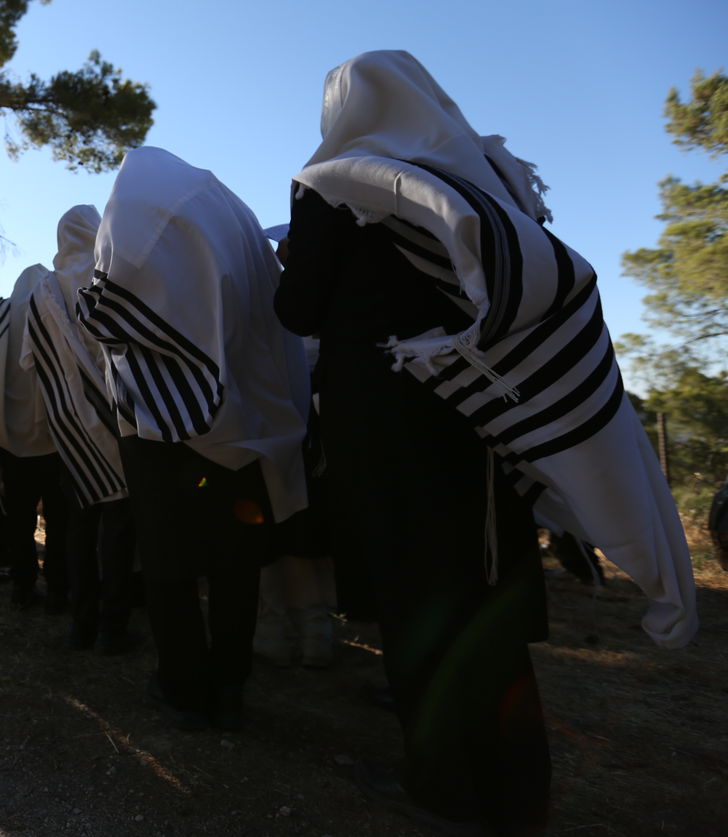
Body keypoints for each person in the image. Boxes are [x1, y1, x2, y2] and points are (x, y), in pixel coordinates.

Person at [277, 50, 698, 835]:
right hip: (485, 417)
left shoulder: (334, 184)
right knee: (484, 587)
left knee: (416, 593)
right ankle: (515, 783)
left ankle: (442, 784)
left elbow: (297, 309)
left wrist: (296, 265)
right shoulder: (485, 182)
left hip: (388, 425)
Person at [78, 147, 311, 729]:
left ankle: (182, 686)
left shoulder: (138, 213)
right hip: (245, 424)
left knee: (168, 562)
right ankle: (230, 684)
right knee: (236, 561)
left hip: (160, 427)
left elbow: (109, 311)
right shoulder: (230, 217)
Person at [23, 204, 136, 650]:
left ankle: (81, 621)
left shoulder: (41, 292)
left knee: (76, 524)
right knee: (119, 527)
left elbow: (29, 360)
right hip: (117, 418)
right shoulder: (105, 272)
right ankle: (113, 627)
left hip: (67, 424)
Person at [0, 264, 68, 608]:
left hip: (11, 437)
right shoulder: (53, 308)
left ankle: (23, 585)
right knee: (59, 519)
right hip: (55, 437)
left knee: (20, 520)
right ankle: (59, 586)